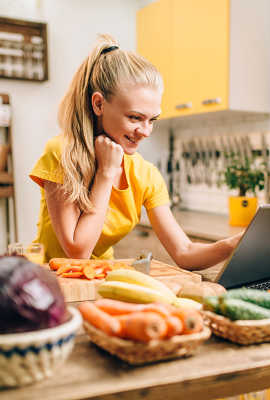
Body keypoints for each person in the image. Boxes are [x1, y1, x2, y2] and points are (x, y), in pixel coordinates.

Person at [30, 34, 242, 269]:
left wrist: (232, 245)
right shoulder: (62, 153)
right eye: (135, 117)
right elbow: (77, 252)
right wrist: (106, 172)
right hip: (51, 286)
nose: (145, 131)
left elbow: (184, 252)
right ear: (98, 104)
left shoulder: (144, 175)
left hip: (102, 282)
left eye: (152, 119)